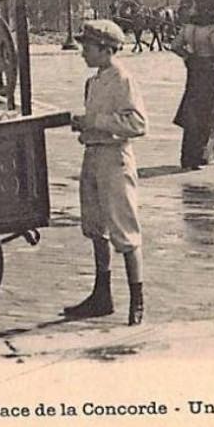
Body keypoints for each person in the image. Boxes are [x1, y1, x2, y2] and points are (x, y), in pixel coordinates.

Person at [62, 19, 150, 325]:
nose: (82, 52)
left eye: (87, 46)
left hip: (115, 159)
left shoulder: (122, 79)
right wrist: (84, 125)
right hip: (94, 156)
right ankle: (102, 295)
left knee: (125, 232)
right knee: (95, 227)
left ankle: (137, 300)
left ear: (105, 49)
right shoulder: (95, 80)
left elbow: (138, 124)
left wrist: (95, 121)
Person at [173, 0, 214, 169]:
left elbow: (175, 45)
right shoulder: (213, 27)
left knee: (193, 111)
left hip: (194, 68)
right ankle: (201, 154)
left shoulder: (188, 26)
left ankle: (193, 154)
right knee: (210, 110)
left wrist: (188, 56)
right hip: (211, 70)